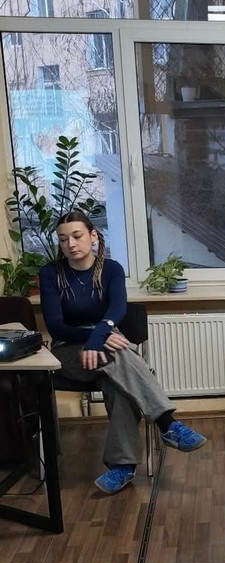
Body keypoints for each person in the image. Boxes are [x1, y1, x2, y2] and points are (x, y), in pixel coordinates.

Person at [39, 210, 207, 494]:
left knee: (117, 383)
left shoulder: (111, 269)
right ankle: (167, 423)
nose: (70, 244)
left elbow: (118, 308)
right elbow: (56, 327)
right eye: (63, 239)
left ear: (93, 236)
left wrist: (100, 337)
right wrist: (97, 337)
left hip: (107, 346)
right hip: (69, 350)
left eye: (77, 236)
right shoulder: (50, 273)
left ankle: (123, 467)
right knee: (118, 352)